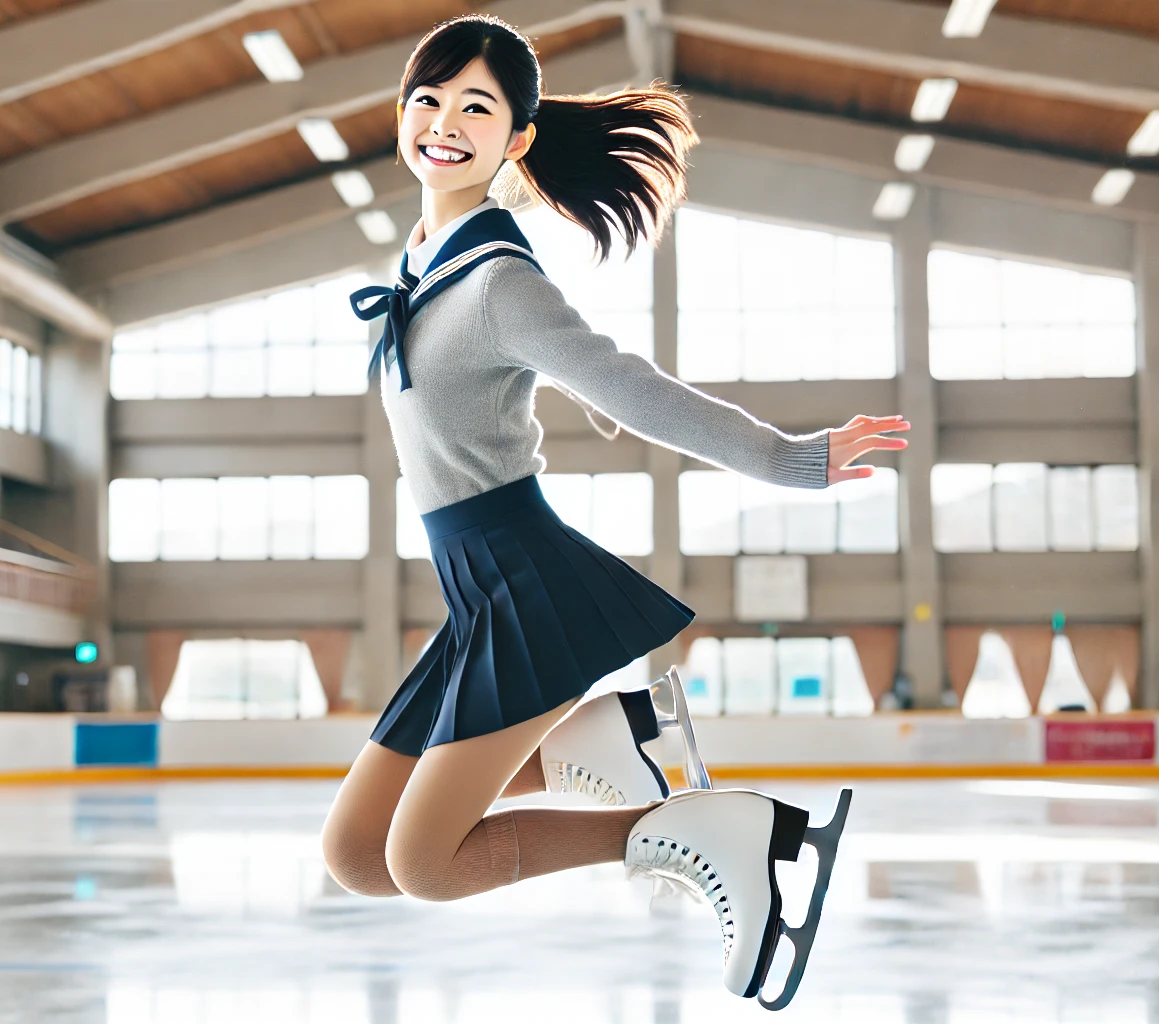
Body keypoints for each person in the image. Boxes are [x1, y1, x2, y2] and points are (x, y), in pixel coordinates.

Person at [321, 14, 908, 1009]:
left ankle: (716, 831)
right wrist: (569, 390)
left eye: (477, 107)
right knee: (356, 853)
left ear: (515, 140)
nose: (444, 123)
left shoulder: (498, 281)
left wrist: (791, 459)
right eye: (428, 99)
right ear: (400, 114)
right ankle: (606, 740)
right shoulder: (424, 263)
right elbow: (532, 381)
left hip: (521, 577)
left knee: (422, 860)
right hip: (472, 592)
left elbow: (633, 385)